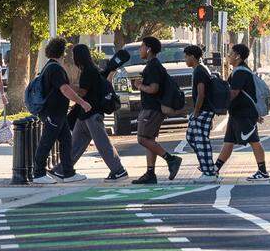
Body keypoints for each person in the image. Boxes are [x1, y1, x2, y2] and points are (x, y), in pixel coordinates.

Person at [32, 38, 91, 185]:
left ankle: (68, 172)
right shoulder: (55, 69)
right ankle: (38, 173)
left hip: (58, 113)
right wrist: (82, 103)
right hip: (54, 113)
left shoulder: (48, 67)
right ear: (61, 52)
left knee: (66, 141)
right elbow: (64, 89)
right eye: (64, 51)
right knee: (46, 142)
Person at [68, 44, 128, 181]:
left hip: (92, 113)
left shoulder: (88, 71)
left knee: (102, 144)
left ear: (78, 57)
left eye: (73, 55)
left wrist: (67, 87)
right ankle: (63, 169)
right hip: (85, 114)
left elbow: (83, 91)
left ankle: (118, 170)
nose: (72, 58)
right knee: (75, 144)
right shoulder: (91, 69)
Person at [215, 43, 270, 182]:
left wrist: (219, 104)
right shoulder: (240, 70)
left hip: (243, 114)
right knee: (229, 142)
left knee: (254, 141)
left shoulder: (240, 72)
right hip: (237, 113)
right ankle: (215, 169)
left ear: (238, 56)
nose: (228, 56)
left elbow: (234, 93)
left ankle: (263, 171)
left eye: (230, 53)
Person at [132, 36, 183, 184]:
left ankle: (171, 159)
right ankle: (150, 173)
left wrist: (139, 86)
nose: (139, 49)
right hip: (152, 108)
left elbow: (154, 89)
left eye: (141, 46)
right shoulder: (153, 65)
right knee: (149, 140)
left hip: (152, 108)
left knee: (142, 138)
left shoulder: (153, 66)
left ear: (148, 49)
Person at [184, 45, 219, 181]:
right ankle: (207, 168)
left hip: (203, 110)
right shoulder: (200, 69)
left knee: (201, 140)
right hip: (204, 110)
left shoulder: (199, 71)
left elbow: (201, 93)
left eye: (186, 56)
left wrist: (196, 111)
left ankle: (209, 173)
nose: (185, 59)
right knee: (192, 137)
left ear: (193, 57)